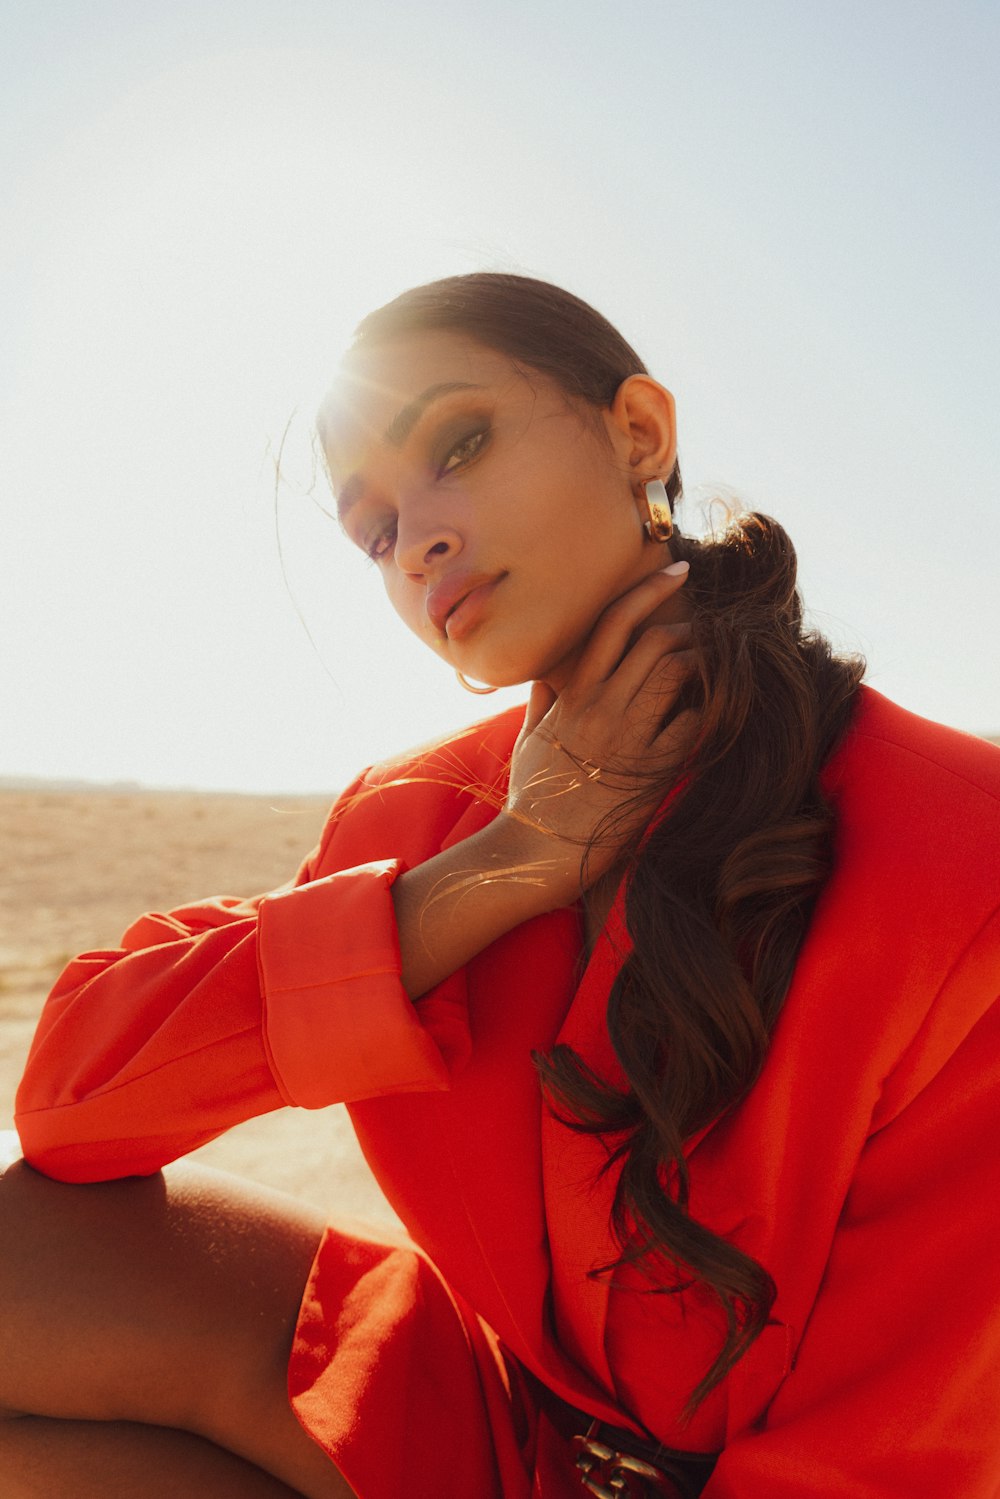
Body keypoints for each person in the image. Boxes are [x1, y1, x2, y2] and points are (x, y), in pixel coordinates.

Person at [3, 273, 999, 1499]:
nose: (416, 537)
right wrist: (510, 861)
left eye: (458, 443)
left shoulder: (964, 846)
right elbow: (72, 1101)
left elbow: (900, 1443)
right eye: (373, 530)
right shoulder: (417, 814)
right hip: (505, 1443)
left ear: (638, 431)